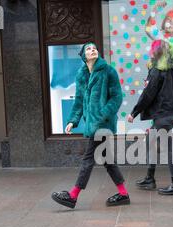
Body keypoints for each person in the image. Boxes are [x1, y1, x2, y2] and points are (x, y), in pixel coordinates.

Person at [51, 42, 130, 209]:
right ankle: (123, 194)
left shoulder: (108, 71)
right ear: (83, 55)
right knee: (108, 160)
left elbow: (116, 98)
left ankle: (73, 195)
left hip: (103, 124)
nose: (92, 50)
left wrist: (102, 115)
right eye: (88, 48)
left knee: (88, 158)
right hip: (91, 124)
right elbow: (79, 100)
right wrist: (73, 120)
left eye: (94, 48)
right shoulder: (81, 75)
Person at [127, 40, 173, 195]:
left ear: (156, 53)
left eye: (152, 50)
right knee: (150, 141)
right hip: (171, 113)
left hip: (163, 115)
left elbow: (148, 94)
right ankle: (150, 178)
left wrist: (134, 112)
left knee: (167, 147)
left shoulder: (156, 71)